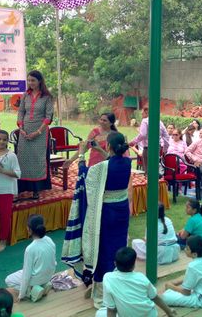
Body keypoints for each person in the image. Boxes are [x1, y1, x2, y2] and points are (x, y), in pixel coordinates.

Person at [61, 132, 132, 308]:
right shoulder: (127, 163)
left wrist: (82, 153)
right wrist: (100, 149)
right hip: (122, 209)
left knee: (104, 249)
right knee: (119, 245)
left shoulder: (102, 167)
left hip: (107, 213)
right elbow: (112, 162)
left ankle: (103, 291)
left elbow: (86, 177)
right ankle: (121, 281)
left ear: (109, 146)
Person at [95, 247, 177, 317]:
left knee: (100, 313)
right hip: (149, 314)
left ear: (115, 263)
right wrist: (169, 312)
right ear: (134, 265)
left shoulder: (108, 278)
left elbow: (111, 310)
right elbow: (155, 297)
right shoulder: (141, 278)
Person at [16, 70, 54, 199]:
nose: (30, 83)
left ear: (39, 81)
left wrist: (38, 132)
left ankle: (36, 189)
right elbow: (21, 112)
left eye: (33, 80)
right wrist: (21, 128)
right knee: (23, 160)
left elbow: (48, 117)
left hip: (40, 133)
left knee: (37, 160)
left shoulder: (47, 97)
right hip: (24, 132)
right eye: (29, 80)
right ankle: (22, 187)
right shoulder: (25, 95)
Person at [162, 235, 202, 308]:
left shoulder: (193, 266)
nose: (185, 249)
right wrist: (177, 283)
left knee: (166, 296)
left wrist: (171, 287)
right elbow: (196, 277)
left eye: (187, 249)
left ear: (194, 254)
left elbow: (186, 292)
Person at [5, 214, 56, 303]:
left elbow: (26, 275)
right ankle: (43, 285)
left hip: (36, 278)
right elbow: (53, 261)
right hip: (48, 276)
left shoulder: (30, 249)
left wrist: (21, 295)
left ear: (29, 230)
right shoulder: (49, 240)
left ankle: (31, 292)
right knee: (34, 269)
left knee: (8, 280)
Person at [129, 106, 170, 174]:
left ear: (146, 112)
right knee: (155, 170)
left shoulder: (145, 121)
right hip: (158, 148)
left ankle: (149, 183)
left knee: (148, 171)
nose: (142, 115)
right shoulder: (160, 122)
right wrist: (165, 149)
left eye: (142, 114)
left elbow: (143, 134)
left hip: (148, 148)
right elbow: (166, 137)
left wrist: (133, 142)